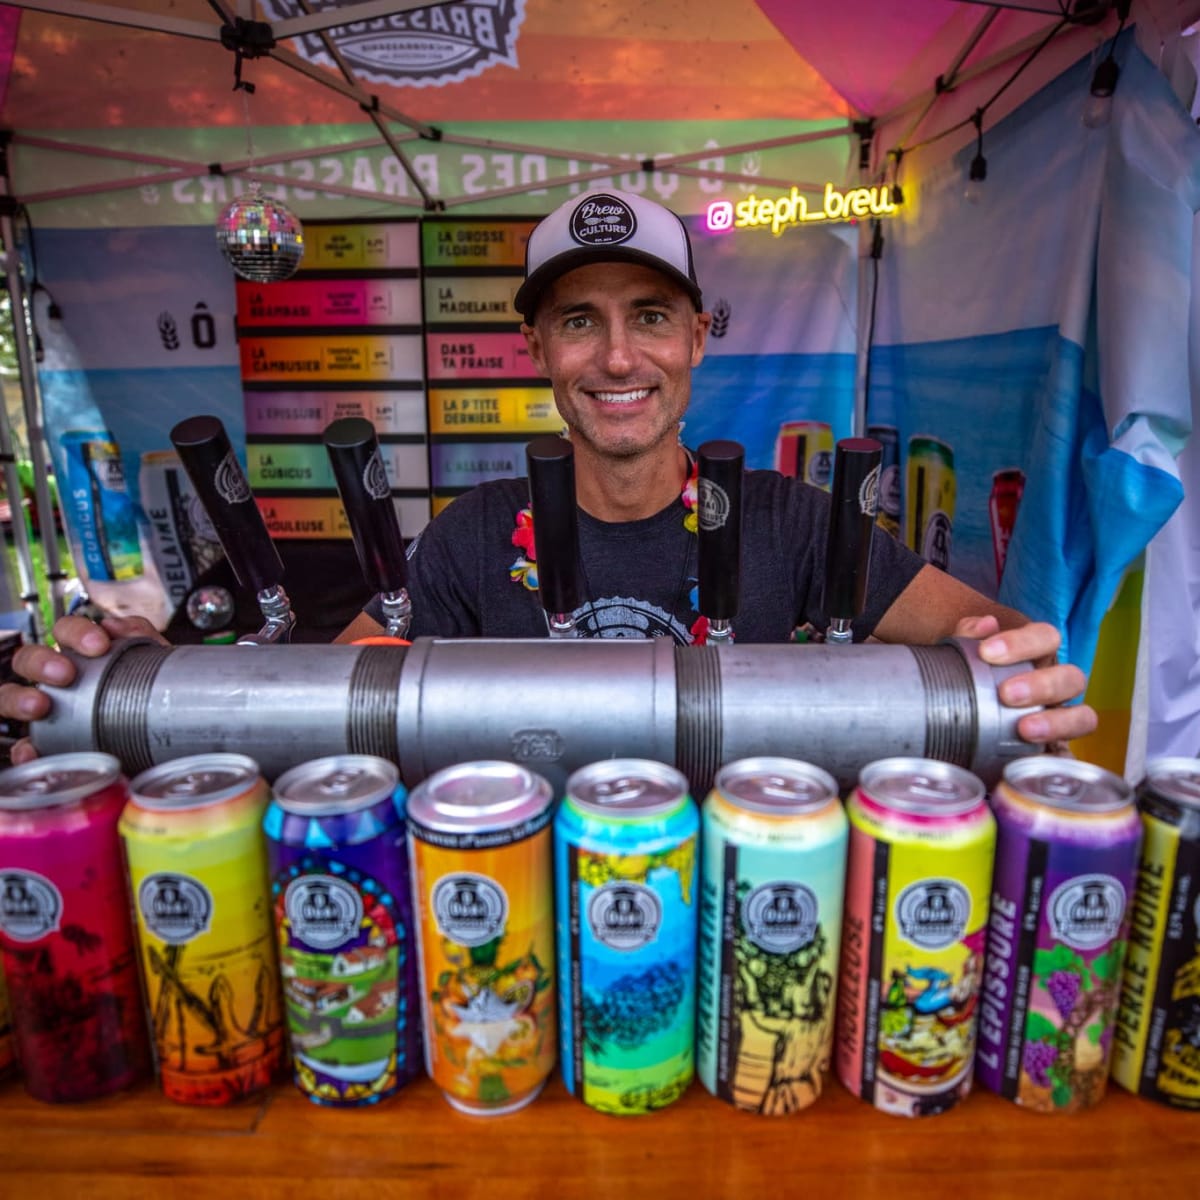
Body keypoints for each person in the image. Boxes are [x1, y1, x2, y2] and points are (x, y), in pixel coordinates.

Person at [0, 189, 1095, 762]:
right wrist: (145, 690)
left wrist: (1023, 677)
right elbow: (313, 706)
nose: (619, 359)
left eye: (651, 318)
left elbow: (993, 644)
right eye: (580, 321)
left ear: (700, 337)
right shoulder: (473, 537)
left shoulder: (800, 525)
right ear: (535, 348)